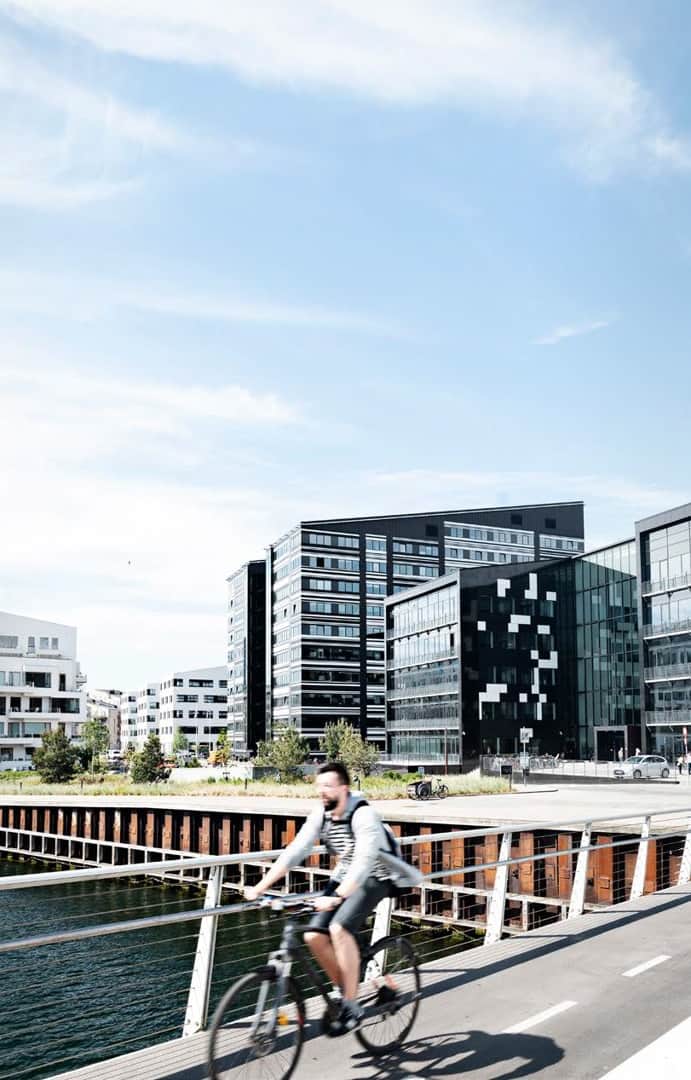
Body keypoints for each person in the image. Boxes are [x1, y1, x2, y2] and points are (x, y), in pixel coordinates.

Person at [244, 761, 413, 1034]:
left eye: (328, 786)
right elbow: (296, 850)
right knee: (313, 936)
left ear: (344, 788)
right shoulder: (321, 814)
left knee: (339, 928)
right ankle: (346, 989)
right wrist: (260, 887)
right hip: (345, 875)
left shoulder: (363, 814)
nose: (321, 791)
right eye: (319, 785)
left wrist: (337, 897)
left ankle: (351, 1006)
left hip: (377, 875)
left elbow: (364, 861)